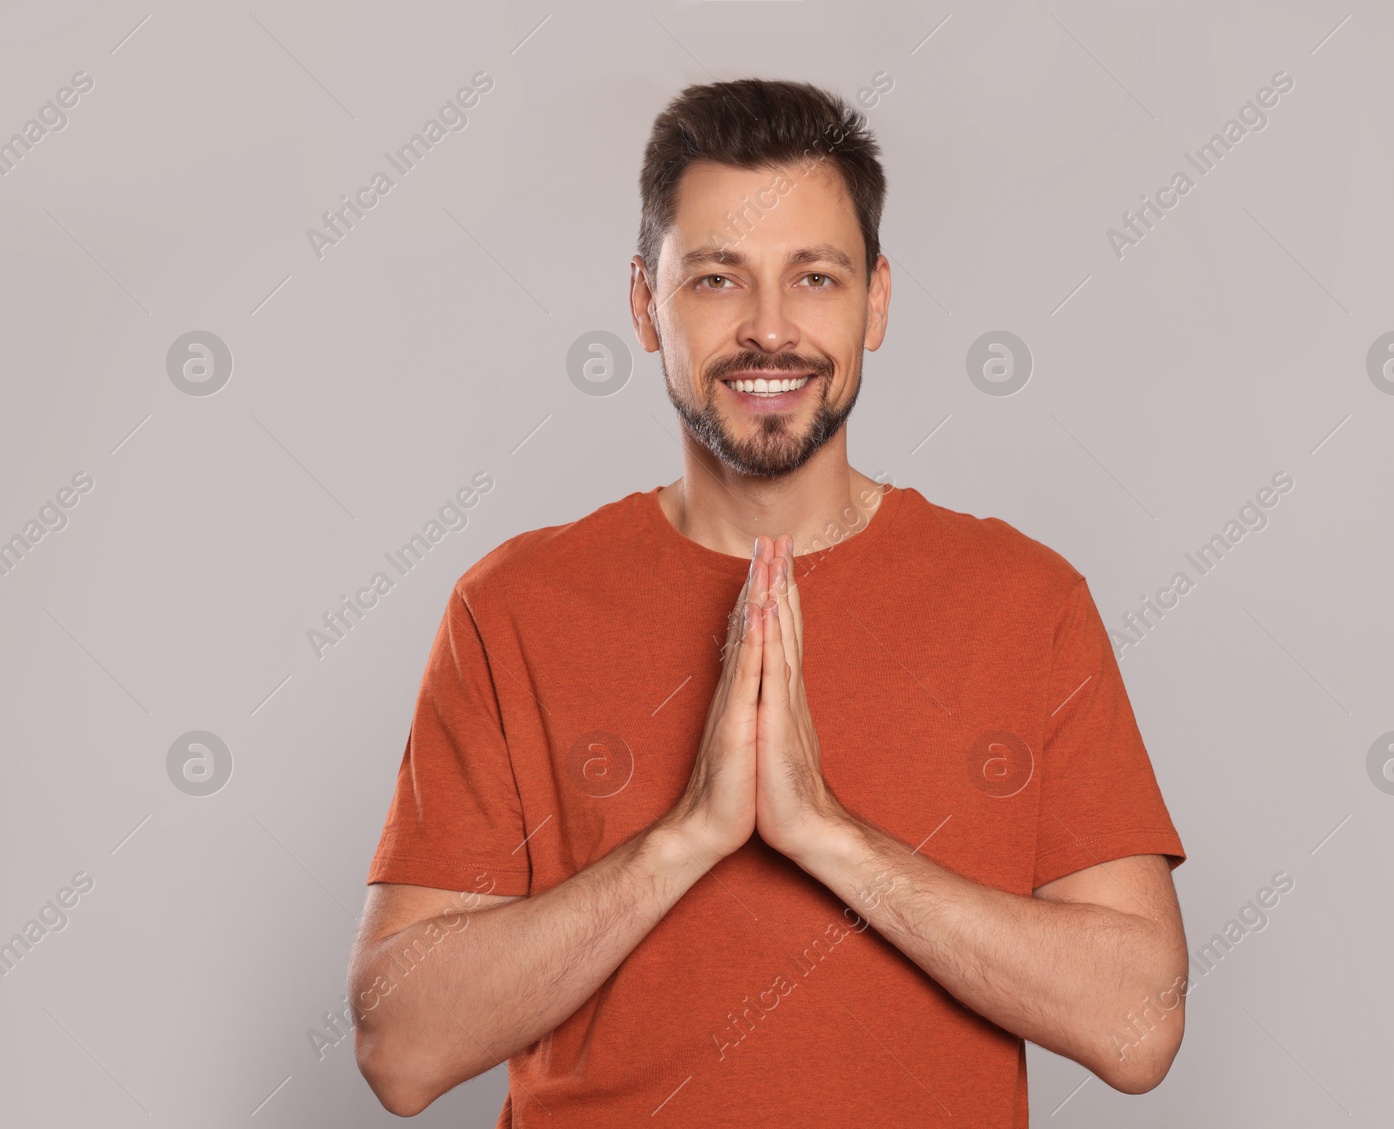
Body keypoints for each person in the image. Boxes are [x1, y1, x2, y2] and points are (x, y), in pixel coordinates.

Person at [350, 77, 1188, 1127]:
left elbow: (1140, 1024)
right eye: (714, 279)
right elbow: (401, 1047)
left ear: (876, 301)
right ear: (643, 306)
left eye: (816, 277)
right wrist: (690, 832)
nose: (768, 330)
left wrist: (824, 833)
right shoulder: (512, 606)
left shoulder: (1028, 602)